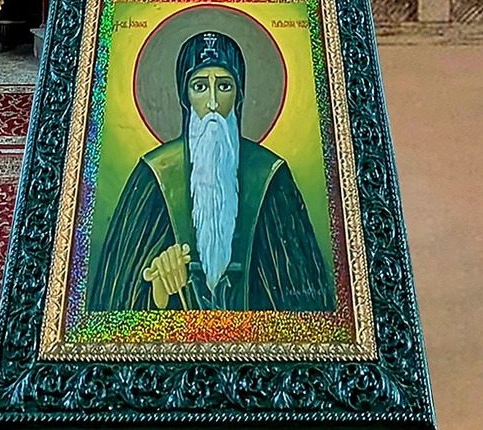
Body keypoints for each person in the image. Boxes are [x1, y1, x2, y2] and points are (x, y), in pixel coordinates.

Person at [86, 31, 334, 312]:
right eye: (200, 86)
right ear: (185, 96)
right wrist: (157, 288)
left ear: (239, 95)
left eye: (225, 86)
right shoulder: (154, 175)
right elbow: (115, 299)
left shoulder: (270, 175)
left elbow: (303, 297)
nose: (213, 103)